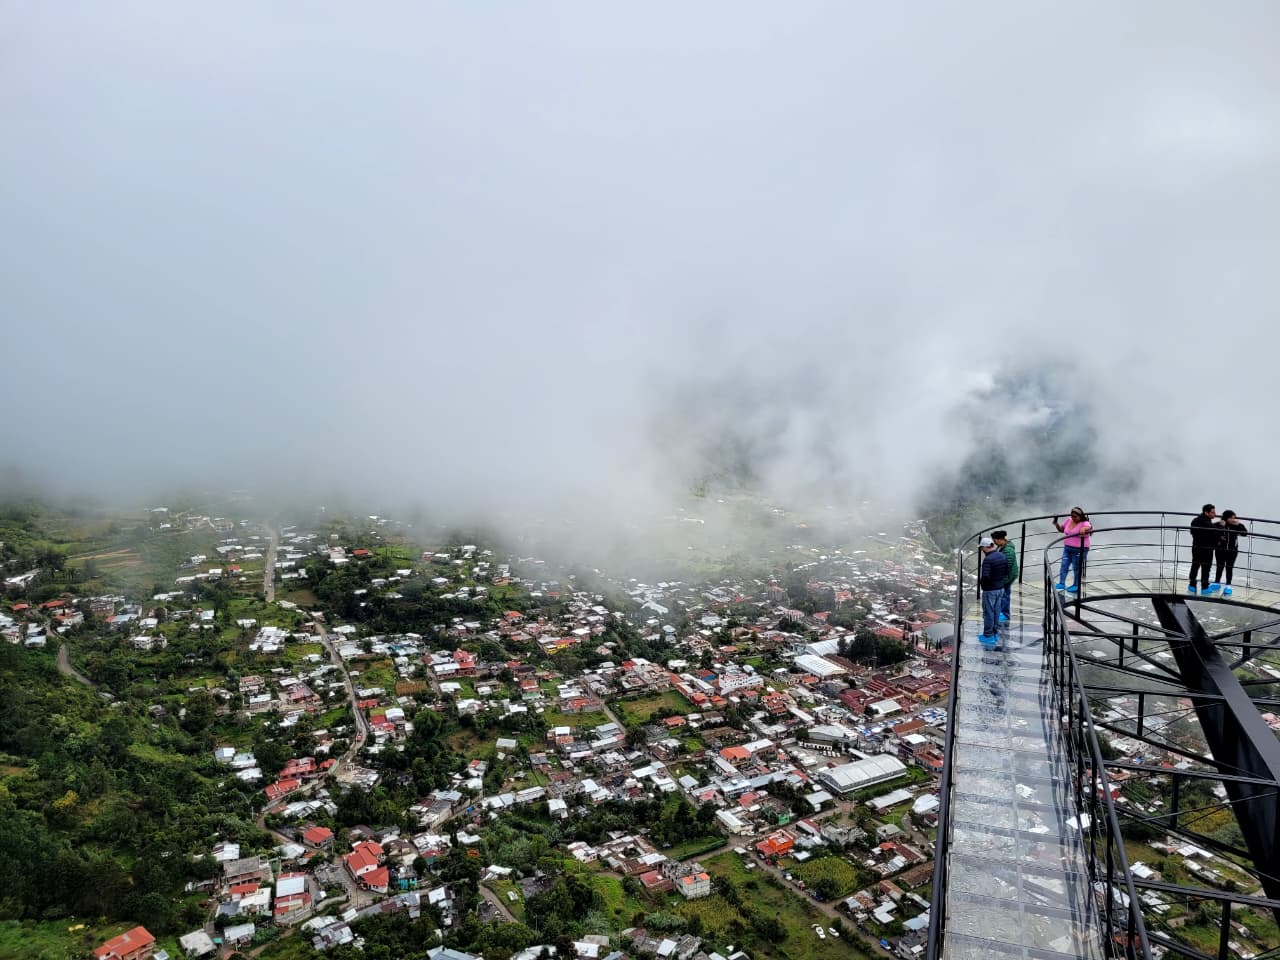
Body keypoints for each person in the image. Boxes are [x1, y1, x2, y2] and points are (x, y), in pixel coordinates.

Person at [1207, 510, 1248, 596]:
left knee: (1229, 568)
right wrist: (1221, 528)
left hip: (1232, 551)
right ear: (1227, 517)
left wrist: (1239, 524)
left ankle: (1228, 586)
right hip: (1220, 550)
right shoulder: (1219, 524)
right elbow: (1211, 531)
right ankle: (1217, 583)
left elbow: (1244, 533)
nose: (1234, 520)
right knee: (1219, 566)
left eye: (1234, 518)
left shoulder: (1236, 526)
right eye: (1232, 518)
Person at [1053, 508, 1092, 593]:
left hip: (1080, 549)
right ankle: (1061, 583)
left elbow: (1089, 528)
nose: (1073, 518)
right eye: (1072, 516)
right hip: (1067, 548)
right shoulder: (1069, 520)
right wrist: (1056, 523)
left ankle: (1076, 585)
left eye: (1075, 516)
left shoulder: (1084, 523)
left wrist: (1084, 529)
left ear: (1080, 516)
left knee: (1076, 567)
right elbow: (1061, 530)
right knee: (1064, 565)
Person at [978, 536, 1009, 645]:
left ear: (986, 547)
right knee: (996, 611)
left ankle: (988, 635)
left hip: (990, 590)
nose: (981, 550)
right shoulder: (1002, 555)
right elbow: (1006, 572)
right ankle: (995, 633)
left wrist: (983, 585)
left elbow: (985, 576)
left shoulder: (988, 560)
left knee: (988, 612)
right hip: (1000, 588)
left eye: (982, 548)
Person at [1187, 503, 1221, 595]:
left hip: (1196, 547)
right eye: (1213, 512)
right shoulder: (1208, 524)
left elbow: (1192, 532)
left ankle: (1192, 585)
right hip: (1207, 549)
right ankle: (1204, 587)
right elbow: (1216, 534)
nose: (1215, 514)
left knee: (1195, 565)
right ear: (1206, 512)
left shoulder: (1195, 520)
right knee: (1206, 568)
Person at [991, 530, 1019, 622]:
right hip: (1006, 574)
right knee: (1004, 593)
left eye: (994, 540)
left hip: (1008, 575)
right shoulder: (1002, 547)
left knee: (1005, 594)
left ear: (999, 540)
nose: (994, 542)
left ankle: (1005, 614)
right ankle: (1002, 612)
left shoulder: (1008, 550)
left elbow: (1007, 565)